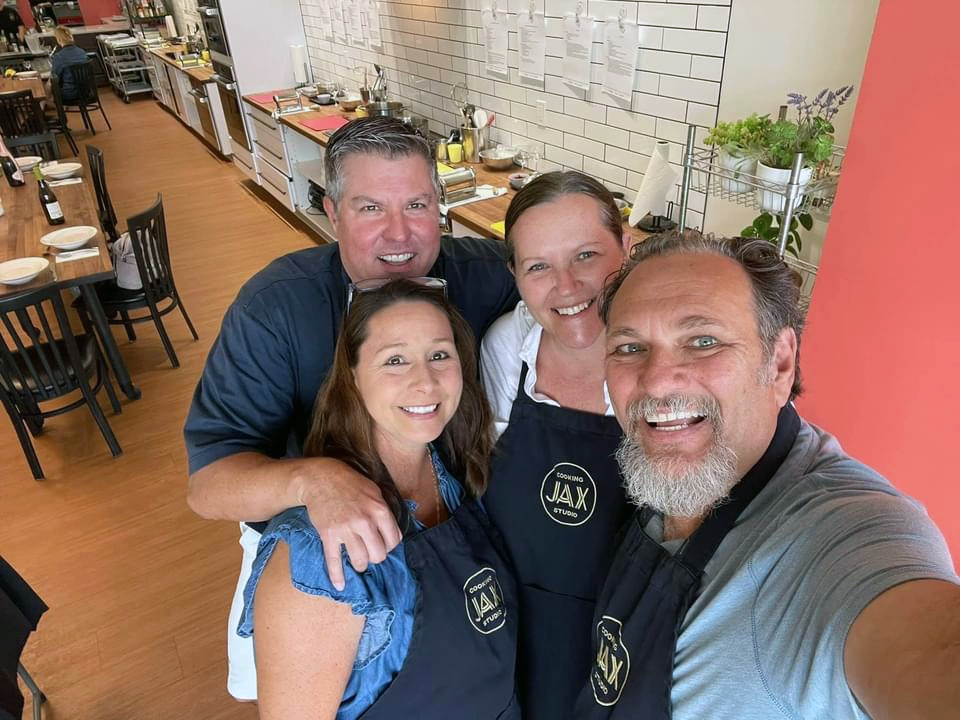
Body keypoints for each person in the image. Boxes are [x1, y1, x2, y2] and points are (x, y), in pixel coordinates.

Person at [183, 116, 518, 700]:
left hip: (455, 539)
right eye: (369, 209)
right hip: (326, 554)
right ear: (331, 213)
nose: (400, 235)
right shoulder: (276, 310)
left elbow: (575, 282)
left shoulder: (485, 274)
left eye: (417, 204)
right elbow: (209, 485)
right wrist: (315, 482)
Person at [575, 232, 960, 718]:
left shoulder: (840, 531)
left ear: (779, 363)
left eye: (703, 341)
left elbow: (930, 651)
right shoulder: (663, 466)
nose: (655, 380)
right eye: (630, 347)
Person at [237, 278, 519, 719]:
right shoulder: (317, 555)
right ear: (352, 376)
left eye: (440, 355)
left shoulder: (449, 470)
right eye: (395, 360)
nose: (425, 382)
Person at [480, 171, 632, 718]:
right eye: (539, 266)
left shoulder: (664, 368)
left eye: (587, 255)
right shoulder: (505, 347)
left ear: (627, 246)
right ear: (515, 276)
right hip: (510, 622)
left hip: (622, 635)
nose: (567, 287)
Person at [50, 26, 88, 104]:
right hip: (86, 91)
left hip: (70, 94)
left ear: (58, 40)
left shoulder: (59, 56)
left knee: (47, 85)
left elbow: (55, 78)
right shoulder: (82, 52)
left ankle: (56, 110)